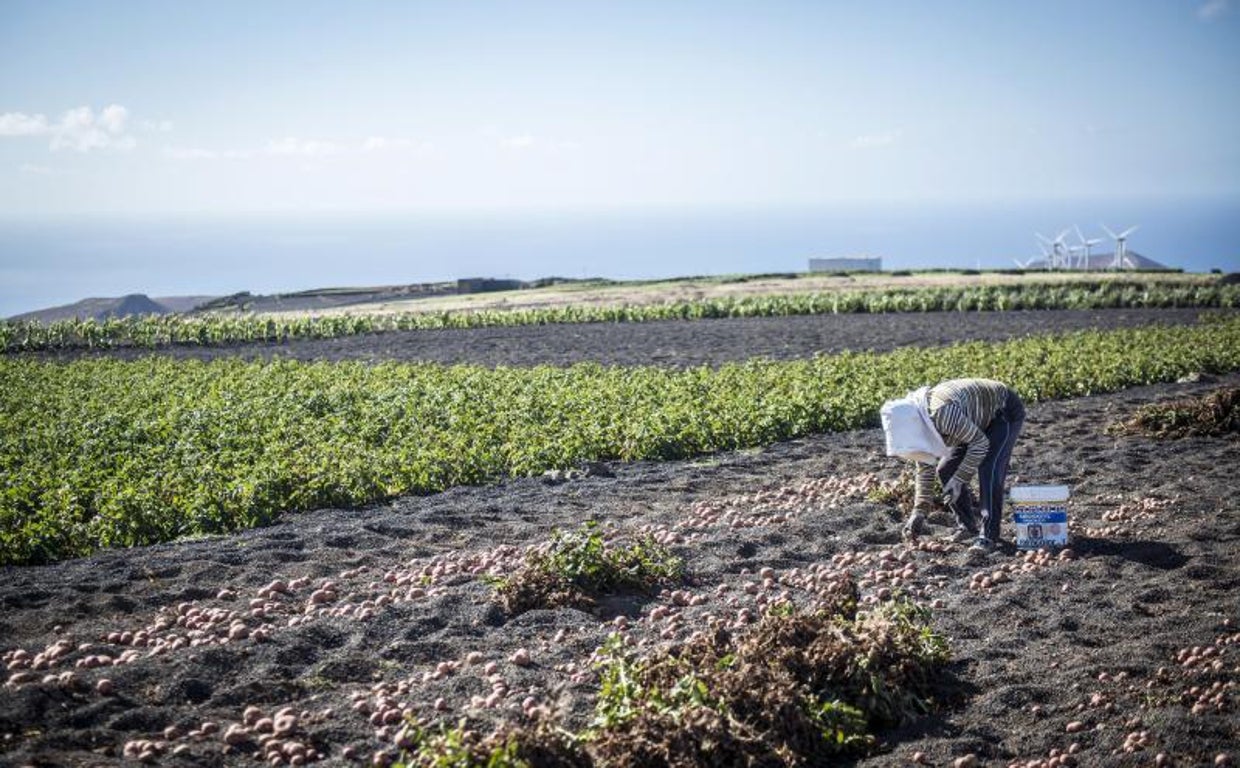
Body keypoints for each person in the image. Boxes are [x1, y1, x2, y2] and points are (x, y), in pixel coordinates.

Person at [879, 378, 1025, 557]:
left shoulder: (942, 414)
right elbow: (925, 467)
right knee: (946, 469)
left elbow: (980, 444)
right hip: (971, 420)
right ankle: (967, 526)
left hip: (1002, 410)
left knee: (989, 468)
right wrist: (919, 511)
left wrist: (960, 478)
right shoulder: (920, 422)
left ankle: (989, 535)